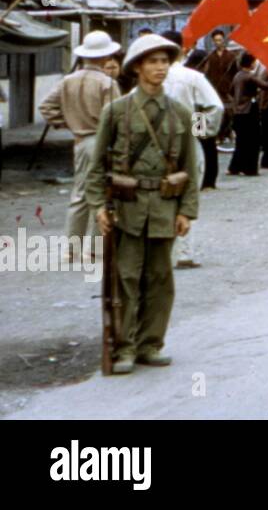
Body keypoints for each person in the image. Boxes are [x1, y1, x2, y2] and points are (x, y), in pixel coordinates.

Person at [83, 33, 199, 374]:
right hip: (127, 209)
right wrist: (97, 208)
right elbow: (97, 166)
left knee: (161, 279)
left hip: (164, 207)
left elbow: (189, 167)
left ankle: (151, 344)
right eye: (153, 62)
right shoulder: (116, 111)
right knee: (126, 279)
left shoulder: (179, 112)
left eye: (165, 61)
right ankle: (124, 348)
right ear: (136, 68)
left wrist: (186, 211)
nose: (160, 68)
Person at [38, 29, 121, 263]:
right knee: (102, 194)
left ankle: (71, 249)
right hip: (102, 141)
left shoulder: (67, 81)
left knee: (80, 193)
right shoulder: (107, 83)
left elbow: (46, 107)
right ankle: (94, 249)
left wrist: (68, 123)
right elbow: (114, 118)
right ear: (105, 56)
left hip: (80, 139)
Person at [158, 30, 223, 269]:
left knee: (160, 195)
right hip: (186, 142)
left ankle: (163, 251)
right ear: (182, 49)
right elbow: (215, 107)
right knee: (188, 195)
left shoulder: (148, 77)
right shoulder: (191, 77)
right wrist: (199, 130)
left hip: (155, 143)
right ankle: (183, 252)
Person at [227, 53, 268, 176]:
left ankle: (234, 167)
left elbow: (230, 91)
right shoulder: (249, 77)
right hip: (248, 111)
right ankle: (249, 168)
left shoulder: (237, 76)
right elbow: (266, 86)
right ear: (251, 63)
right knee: (253, 141)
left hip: (238, 112)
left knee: (241, 141)